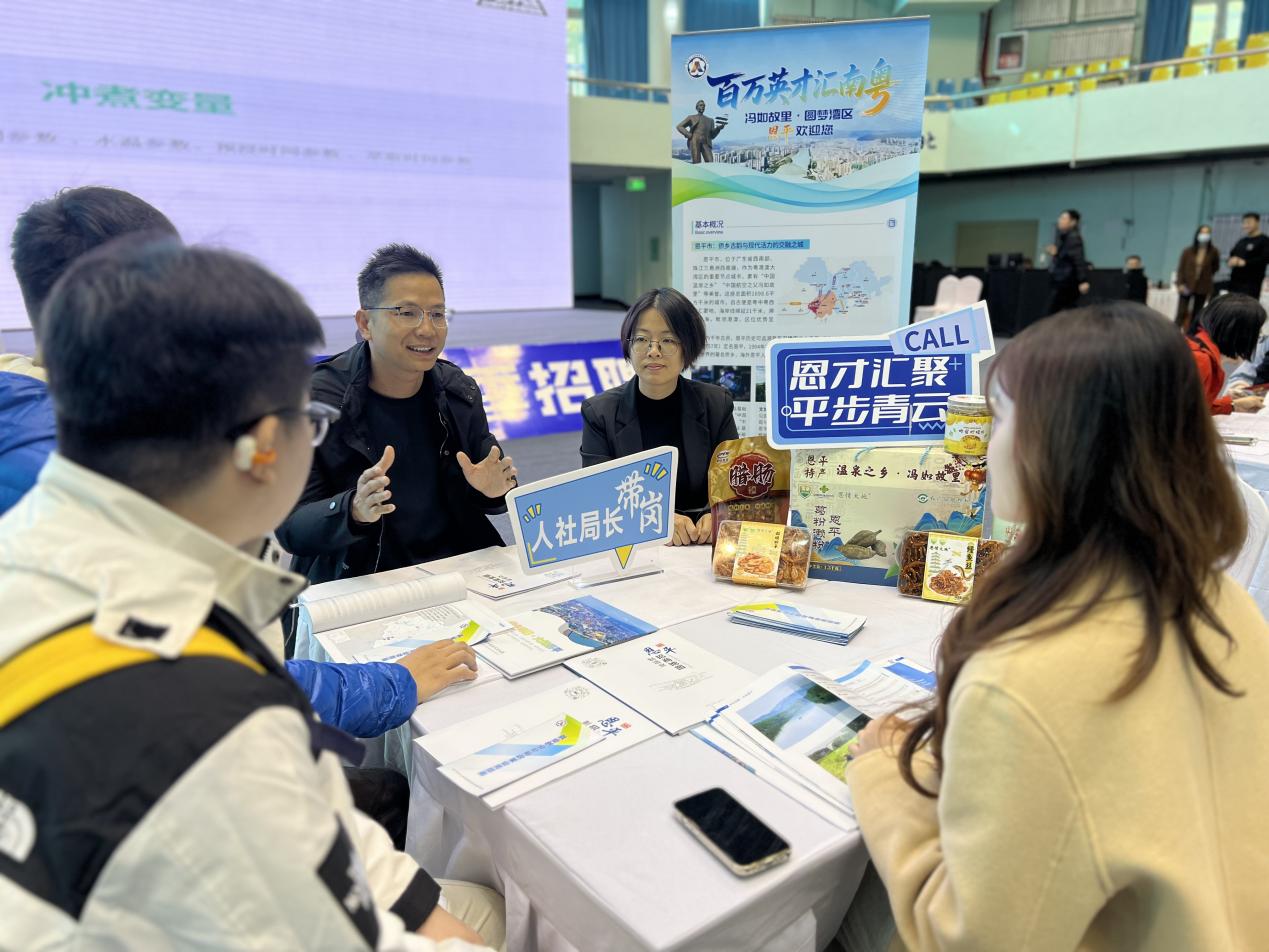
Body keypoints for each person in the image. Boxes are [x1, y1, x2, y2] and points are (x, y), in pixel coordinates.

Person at [0, 237, 503, 950]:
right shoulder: (209, 712)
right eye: (306, 422)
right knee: (499, 912)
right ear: (264, 444)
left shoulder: (45, 547)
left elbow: (311, 819)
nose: (427, 329)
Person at [839, 301, 1269, 951]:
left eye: (1001, 417)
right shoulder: (1225, 604)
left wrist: (879, 771)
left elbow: (966, 938)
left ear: (1058, 444)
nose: (987, 445)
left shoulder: (1026, 674)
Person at [5, 186, 476, 761]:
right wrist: (392, 685)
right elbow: (206, 677)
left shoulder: (456, 388)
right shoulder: (98, 476)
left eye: (436, 314)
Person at [276, 244, 516, 585]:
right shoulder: (314, 403)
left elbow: (494, 493)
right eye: (407, 313)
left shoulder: (457, 391)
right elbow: (291, 528)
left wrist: (491, 490)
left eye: (437, 314)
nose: (427, 329)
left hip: (455, 571)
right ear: (365, 323)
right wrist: (353, 510)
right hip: (363, 579)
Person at [580, 288, 738, 546]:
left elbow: (732, 485)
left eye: (668, 340)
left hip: (700, 546)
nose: (653, 351)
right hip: (636, 547)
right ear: (629, 345)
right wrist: (657, 520)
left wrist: (719, 515)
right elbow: (597, 496)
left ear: (688, 347)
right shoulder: (599, 413)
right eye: (642, 339)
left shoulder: (715, 405)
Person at [1187, 294, 1265, 415]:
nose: (1258, 338)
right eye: (1256, 332)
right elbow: (1183, 415)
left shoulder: (1198, 349)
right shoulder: (1201, 360)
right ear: (1241, 334)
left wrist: (1233, 405)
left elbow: (1197, 407)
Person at [1042, 208, 1090, 316]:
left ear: (1073, 222)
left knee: (1052, 312)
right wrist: (1056, 252)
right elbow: (1065, 256)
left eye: (1064, 218)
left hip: (1067, 281)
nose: (1060, 220)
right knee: (1064, 311)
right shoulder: (1064, 237)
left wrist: (1083, 280)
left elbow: (1078, 259)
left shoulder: (1074, 237)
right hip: (1062, 280)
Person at [1174, 225, 1220, 330]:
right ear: (1198, 234)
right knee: (1181, 312)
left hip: (1203, 287)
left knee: (1197, 314)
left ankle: (1191, 334)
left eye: (1207, 233)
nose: (1205, 235)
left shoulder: (1213, 252)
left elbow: (1215, 268)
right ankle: (1174, 333)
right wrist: (1179, 284)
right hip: (1186, 285)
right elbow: (1181, 269)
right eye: (1202, 232)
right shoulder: (1188, 251)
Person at [1227, 211, 1269, 298]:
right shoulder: (1242, 241)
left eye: (1249, 222)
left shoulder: (1264, 240)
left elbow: (1265, 259)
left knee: (1247, 304)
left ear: (1257, 222)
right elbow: (1232, 254)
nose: (1246, 225)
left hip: (1251, 284)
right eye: (1244, 223)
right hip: (1235, 282)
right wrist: (1231, 261)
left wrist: (1245, 263)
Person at [676, 100, 727, 164]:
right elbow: (679, 126)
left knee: (711, 162)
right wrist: (688, 134)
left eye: (704, 106)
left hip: (706, 143)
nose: (702, 107)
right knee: (696, 163)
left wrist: (718, 128)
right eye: (701, 105)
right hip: (695, 141)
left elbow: (712, 136)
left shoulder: (710, 120)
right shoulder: (691, 117)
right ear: (697, 107)